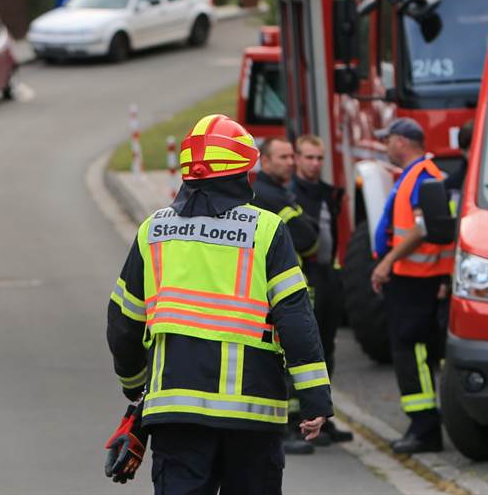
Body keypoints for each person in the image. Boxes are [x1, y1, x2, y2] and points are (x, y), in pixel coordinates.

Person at [106, 114, 331, 494]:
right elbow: (296, 319)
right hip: (253, 413)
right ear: (244, 170)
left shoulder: (154, 231)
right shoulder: (266, 230)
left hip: (176, 413)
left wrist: (135, 386)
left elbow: (123, 322)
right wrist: (314, 398)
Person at [370, 117, 454, 455]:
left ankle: (424, 427)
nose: (385, 146)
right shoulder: (418, 174)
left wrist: (387, 261)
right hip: (417, 278)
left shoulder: (422, 176)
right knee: (415, 351)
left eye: (387, 139)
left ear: (401, 142)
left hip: (416, 279)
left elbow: (421, 228)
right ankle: (422, 424)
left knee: (412, 351)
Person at [253, 136, 326, 455]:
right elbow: (308, 238)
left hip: (287, 288)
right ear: (265, 161)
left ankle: (294, 424)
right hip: (277, 292)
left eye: (291, 156)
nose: (290, 162)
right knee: (282, 359)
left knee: (289, 358)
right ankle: (282, 431)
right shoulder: (268, 196)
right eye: (282, 157)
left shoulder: (280, 193)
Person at [289, 134, 353, 444]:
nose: (315, 164)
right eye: (309, 157)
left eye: (319, 158)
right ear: (297, 158)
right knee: (305, 351)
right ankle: (300, 421)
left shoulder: (327, 193)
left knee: (327, 349)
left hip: (328, 277)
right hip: (307, 278)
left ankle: (323, 416)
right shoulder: (291, 195)